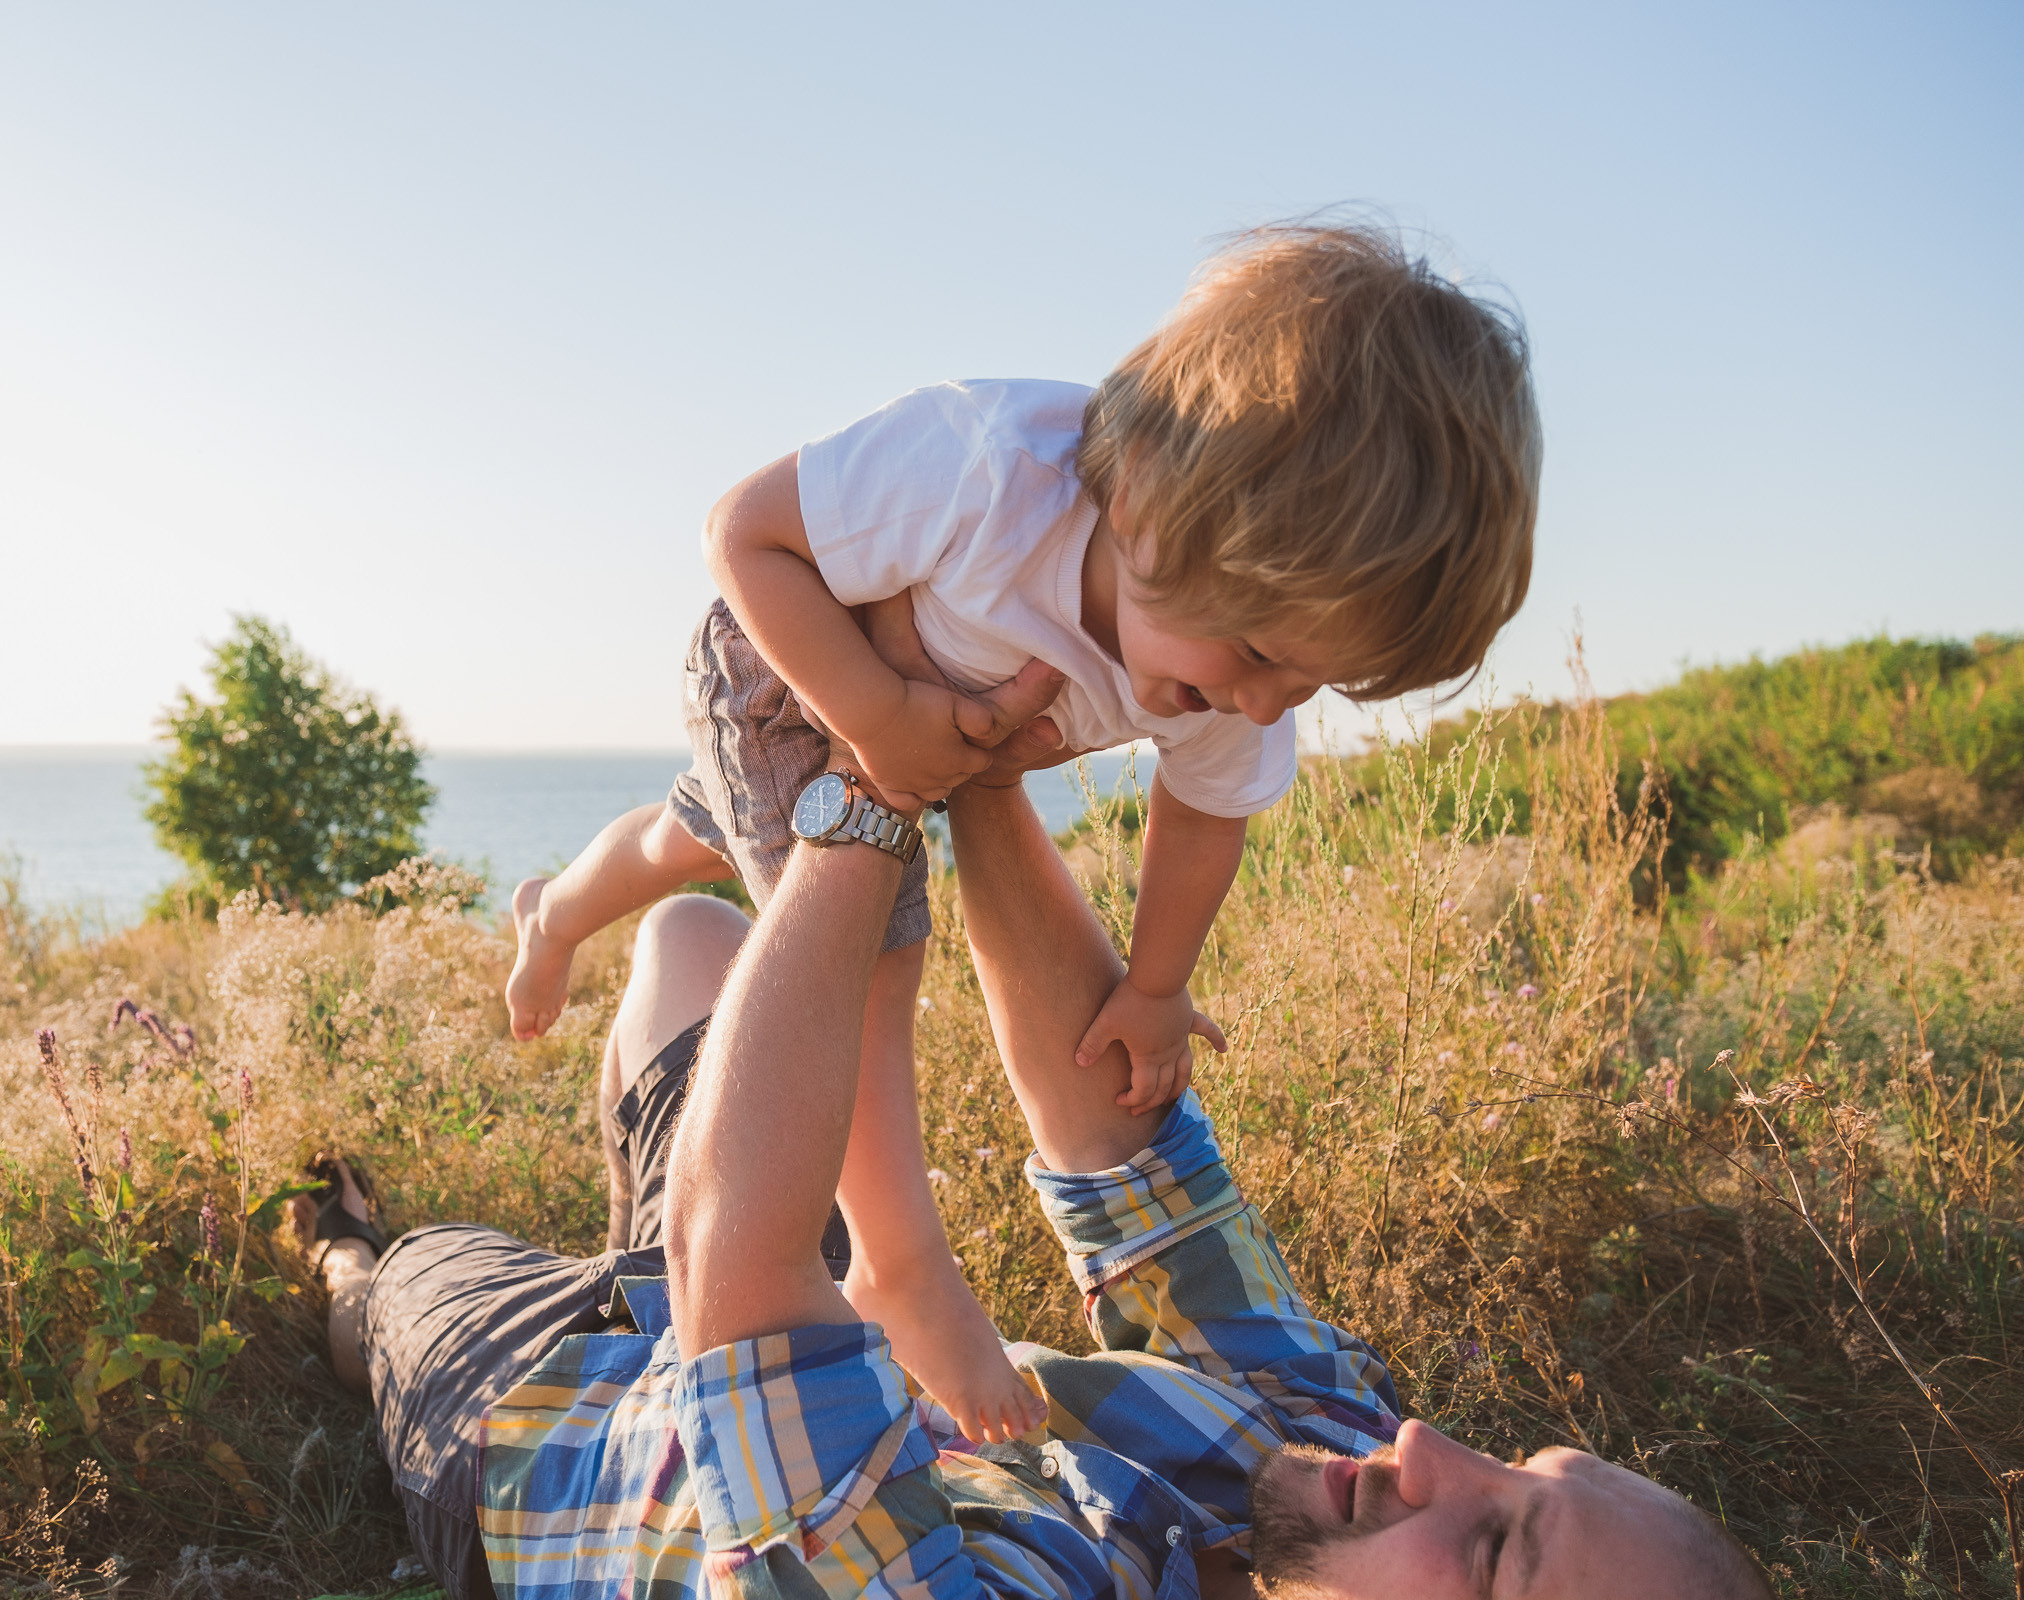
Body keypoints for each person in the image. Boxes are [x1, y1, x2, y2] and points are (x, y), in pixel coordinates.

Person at [302, 713, 1770, 1600]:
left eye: (1498, 1550)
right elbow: (1120, 1139)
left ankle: (340, 1251)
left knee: (390, 1284)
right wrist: (988, 760)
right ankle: (584, 978)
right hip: (775, 1289)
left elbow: (732, 1273)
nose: (1425, 1449)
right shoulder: (1323, 1458)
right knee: (693, 937)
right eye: (1520, 1463)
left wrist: (871, 786)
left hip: (550, 1435)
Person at [499, 221, 1542, 1442]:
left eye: (1310, 685)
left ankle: (555, 909)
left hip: (921, 726)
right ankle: (896, 1259)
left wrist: (1157, 987)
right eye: (1257, 658)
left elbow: (1205, 814)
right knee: (869, 941)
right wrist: (880, 717)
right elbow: (744, 534)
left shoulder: (1235, 656)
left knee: (697, 832)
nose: (1262, 705)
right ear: (1149, 500)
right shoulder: (987, 469)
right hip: (791, 670)